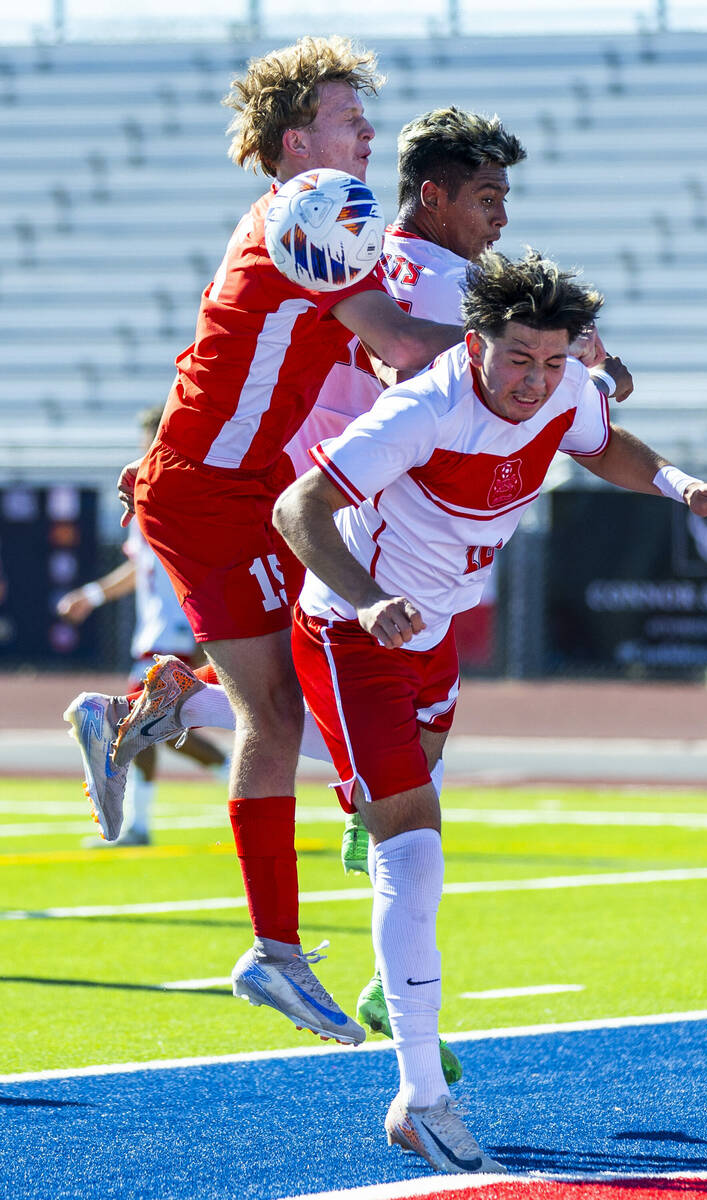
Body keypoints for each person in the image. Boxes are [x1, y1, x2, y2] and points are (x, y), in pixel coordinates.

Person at [270, 248, 707, 1174]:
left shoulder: (566, 387)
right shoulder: (422, 408)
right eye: (518, 358)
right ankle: (420, 1095)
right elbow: (301, 511)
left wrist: (680, 485)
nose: (536, 381)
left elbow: (601, 441)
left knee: (399, 829)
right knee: (414, 854)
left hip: (433, 635)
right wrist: (368, 597)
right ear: (478, 339)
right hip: (353, 634)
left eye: (552, 361)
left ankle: (195, 715)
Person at [68, 35, 469, 1048]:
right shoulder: (308, 210)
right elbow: (409, 346)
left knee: (323, 648)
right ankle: (273, 952)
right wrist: (541, 352)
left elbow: (350, 347)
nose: (367, 130)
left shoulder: (315, 219)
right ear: (298, 137)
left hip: (236, 485)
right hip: (214, 492)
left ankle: (135, 713)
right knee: (279, 710)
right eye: (346, 116)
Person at [61, 408, 229, 846]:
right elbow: (139, 567)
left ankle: (142, 822)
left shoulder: (180, 489)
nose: (145, 446)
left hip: (172, 630)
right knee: (155, 727)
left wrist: (199, 624)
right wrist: (93, 595)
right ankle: (223, 785)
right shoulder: (145, 490)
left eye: (150, 437)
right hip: (156, 630)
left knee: (136, 723)